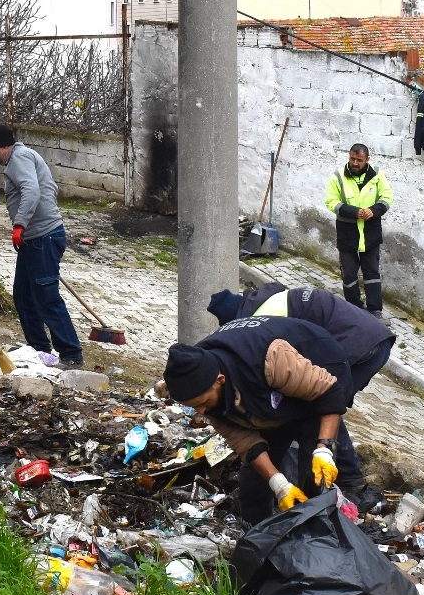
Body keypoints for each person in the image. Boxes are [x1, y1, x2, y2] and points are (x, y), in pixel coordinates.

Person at [207, 283, 395, 511]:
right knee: (320, 406)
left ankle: (343, 487)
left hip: (357, 344)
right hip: (368, 336)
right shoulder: (267, 301)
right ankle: (333, 479)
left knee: (323, 407)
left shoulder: (261, 320)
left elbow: (320, 393)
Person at [161, 317, 353, 525]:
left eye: (202, 403)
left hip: (320, 367)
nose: (199, 411)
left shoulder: (269, 358)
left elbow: (329, 393)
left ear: (220, 380)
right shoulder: (197, 375)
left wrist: (323, 447)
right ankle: (257, 538)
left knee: (313, 477)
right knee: (254, 483)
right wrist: (279, 484)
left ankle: (317, 540)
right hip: (268, 393)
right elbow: (244, 441)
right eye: (193, 406)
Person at [0, 124, 83, 369]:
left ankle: (71, 354)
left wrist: (20, 224)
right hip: (35, 239)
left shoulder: (20, 159)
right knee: (24, 294)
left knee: (47, 298)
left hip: (44, 238)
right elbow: (50, 188)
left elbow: (32, 189)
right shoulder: (25, 157)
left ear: (2, 146)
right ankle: (39, 349)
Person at [324, 143, 392, 315]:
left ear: (367, 160)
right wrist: (355, 212)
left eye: (359, 160)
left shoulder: (377, 174)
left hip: (371, 234)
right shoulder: (338, 176)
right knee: (349, 275)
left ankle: (375, 310)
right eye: (352, 159)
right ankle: (354, 309)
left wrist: (373, 211)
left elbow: (387, 197)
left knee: (372, 274)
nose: (355, 163)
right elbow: (331, 202)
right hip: (348, 235)